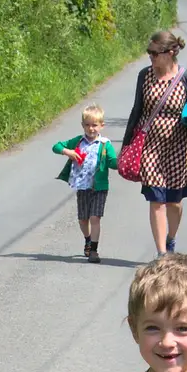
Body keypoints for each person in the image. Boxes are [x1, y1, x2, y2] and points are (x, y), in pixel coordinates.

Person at [121, 30, 187, 257]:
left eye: (154, 53)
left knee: (174, 202)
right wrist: (126, 145)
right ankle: (161, 254)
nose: (150, 57)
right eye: (149, 52)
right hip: (150, 147)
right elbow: (136, 111)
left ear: (170, 53)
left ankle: (171, 239)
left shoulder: (186, 78)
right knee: (156, 200)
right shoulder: (145, 75)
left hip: (179, 149)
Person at [52, 104, 118, 263]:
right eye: (87, 125)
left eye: (94, 125)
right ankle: (87, 239)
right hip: (82, 186)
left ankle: (94, 250)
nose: (91, 129)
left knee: (95, 218)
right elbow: (56, 146)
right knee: (83, 219)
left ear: (102, 125)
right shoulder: (77, 141)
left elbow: (112, 162)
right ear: (83, 125)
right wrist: (68, 152)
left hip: (99, 187)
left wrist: (123, 163)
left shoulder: (104, 144)